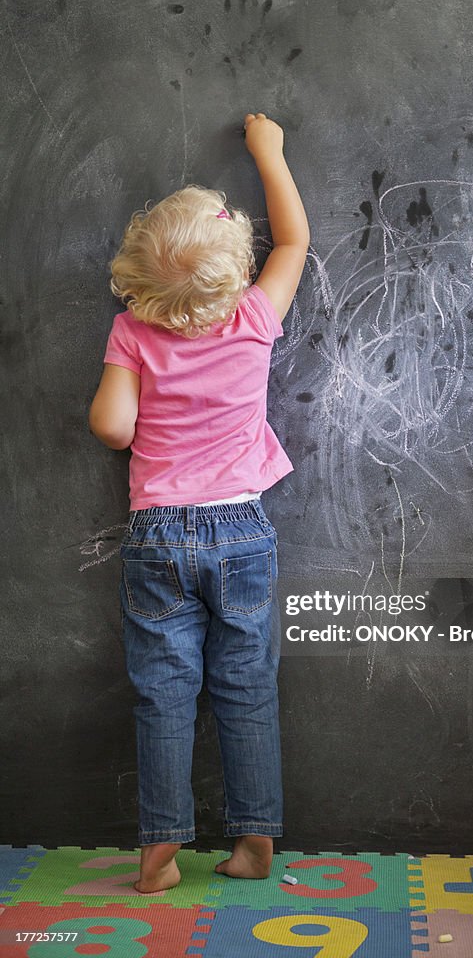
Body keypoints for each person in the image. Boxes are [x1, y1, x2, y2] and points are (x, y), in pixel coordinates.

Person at [88, 112, 309, 893]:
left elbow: (113, 428)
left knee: (163, 691)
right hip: (242, 530)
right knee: (247, 684)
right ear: (234, 270)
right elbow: (293, 243)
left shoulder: (131, 333)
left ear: (138, 280)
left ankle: (158, 852)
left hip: (156, 535)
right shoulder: (254, 317)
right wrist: (267, 152)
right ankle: (253, 845)